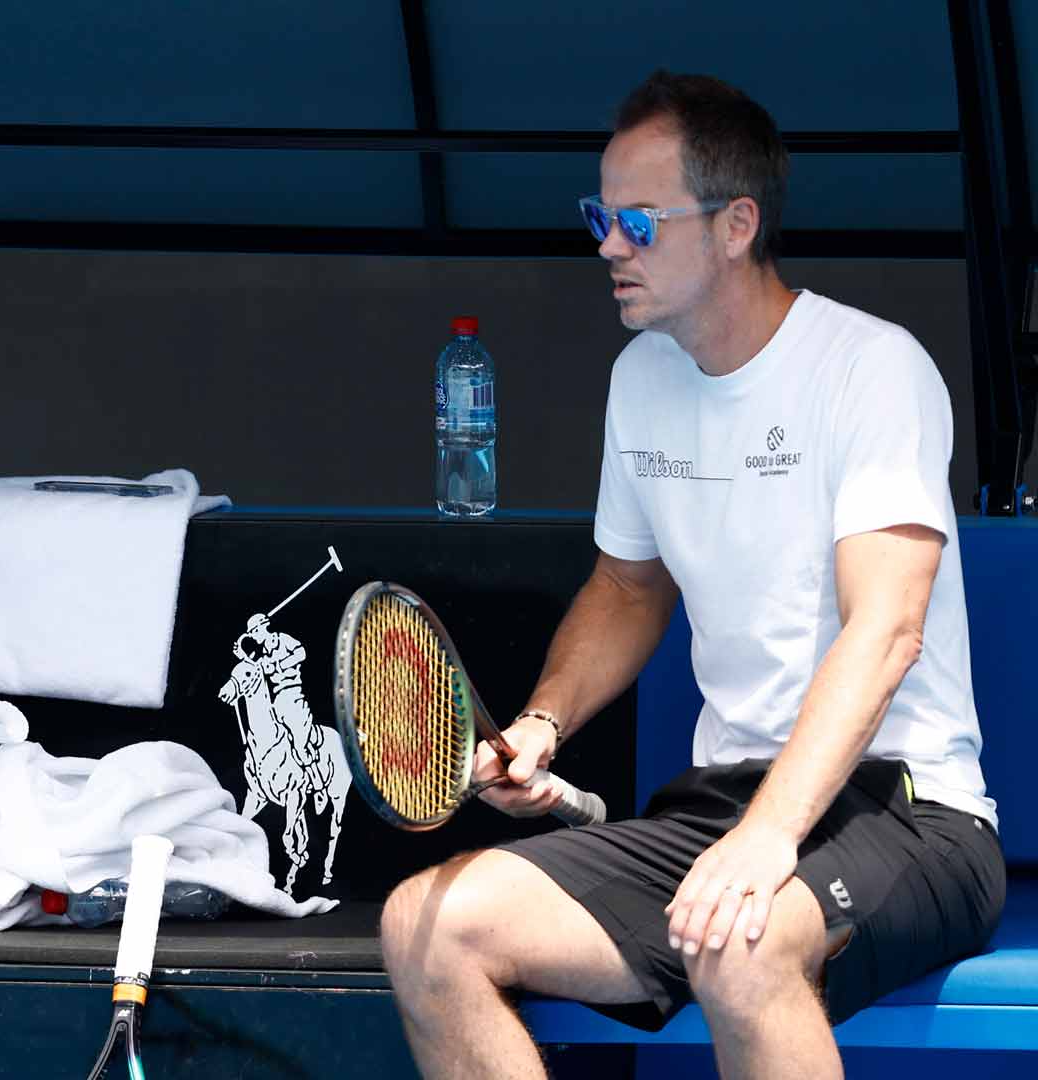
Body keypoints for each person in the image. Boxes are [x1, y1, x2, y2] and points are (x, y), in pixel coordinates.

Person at [379, 71, 1004, 1080]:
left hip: (910, 814)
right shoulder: (644, 379)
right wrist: (541, 725)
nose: (608, 245)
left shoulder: (871, 370)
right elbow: (626, 590)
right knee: (426, 926)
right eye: (600, 215)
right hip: (721, 807)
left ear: (735, 225)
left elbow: (886, 631)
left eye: (637, 220)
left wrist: (768, 840)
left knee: (738, 944)